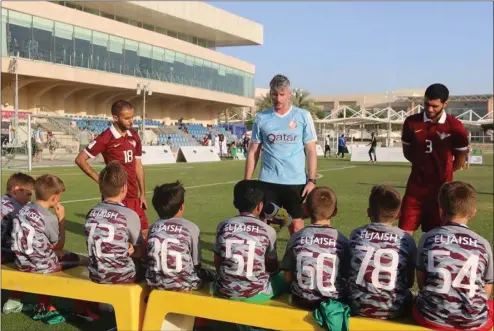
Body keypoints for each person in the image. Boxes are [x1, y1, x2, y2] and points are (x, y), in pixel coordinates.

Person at [413, 181, 493, 331]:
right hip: (474, 323)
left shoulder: (428, 238)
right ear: (472, 213)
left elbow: (421, 280)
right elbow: (487, 287)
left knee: (415, 301)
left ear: (441, 211)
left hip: (431, 318)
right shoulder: (483, 244)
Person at [244, 74, 318, 234]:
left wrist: (311, 181)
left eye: (282, 94)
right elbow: (253, 151)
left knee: (296, 226)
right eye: (274, 94)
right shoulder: (261, 118)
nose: (278, 98)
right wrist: (247, 181)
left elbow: (311, 150)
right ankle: (269, 259)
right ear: (270, 93)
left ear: (289, 94)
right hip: (268, 181)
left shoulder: (303, 115)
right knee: (267, 227)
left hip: (296, 181)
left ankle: (295, 258)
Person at [11, 175, 87, 323]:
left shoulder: (24, 208)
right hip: (40, 266)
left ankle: (43, 303)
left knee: (54, 254)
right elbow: (59, 244)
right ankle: (84, 309)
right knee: (83, 261)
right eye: (59, 196)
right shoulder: (48, 217)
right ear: (53, 197)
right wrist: (61, 219)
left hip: (20, 262)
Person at [399, 84, 469, 235]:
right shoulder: (411, 122)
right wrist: (422, 165)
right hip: (414, 191)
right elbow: (407, 152)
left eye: (435, 106)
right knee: (403, 236)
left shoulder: (455, 126)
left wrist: (445, 168)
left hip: (441, 194)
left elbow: (461, 158)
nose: (429, 109)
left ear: (445, 103)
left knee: (435, 238)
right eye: (426, 104)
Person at [75, 100, 149, 238]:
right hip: (115, 196)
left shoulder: (134, 135)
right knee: (121, 235)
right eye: (127, 118)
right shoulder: (105, 138)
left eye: (132, 117)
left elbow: (138, 165)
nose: (130, 121)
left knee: (144, 232)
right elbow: (80, 159)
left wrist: (142, 193)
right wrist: (101, 180)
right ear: (115, 118)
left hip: (133, 195)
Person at [348, 185, 416, 319]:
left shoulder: (356, 234)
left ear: (368, 212)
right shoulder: (405, 239)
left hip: (357, 306)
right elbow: (409, 282)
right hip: (394, 309)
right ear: (398, 215)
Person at [214, 180, 284, 303]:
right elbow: (272, 267)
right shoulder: (268, 230)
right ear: (260, 206)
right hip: (255, 293)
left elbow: (217, 260)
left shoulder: (223, 225)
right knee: (284, 278)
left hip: (225, 290)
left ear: (235, 203)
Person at [280, 187, 348, 310]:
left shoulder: (296, 237)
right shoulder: (341, 240)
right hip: (333, 303)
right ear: (335, 211)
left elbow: (287, 278)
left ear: (305, 210)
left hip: (301, 300)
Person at [146, 181, 215, 291]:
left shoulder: (153, 227)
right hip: (185, 285)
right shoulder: (191, 227)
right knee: (211, 275)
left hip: (155, 284)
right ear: (182, 206)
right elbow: (196, 264)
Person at [85, 161, 143, 284]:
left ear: (101, 188)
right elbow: (138, 251)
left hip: (96, 275)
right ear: (124, 189)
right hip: (122, 276)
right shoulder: (129, 215)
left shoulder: (91, 213)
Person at [1, 173, 35, 315]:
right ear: (16, 190)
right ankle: (14, 302)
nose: (29, 199)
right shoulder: (18, 210)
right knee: (32, 257)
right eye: (27, 194)